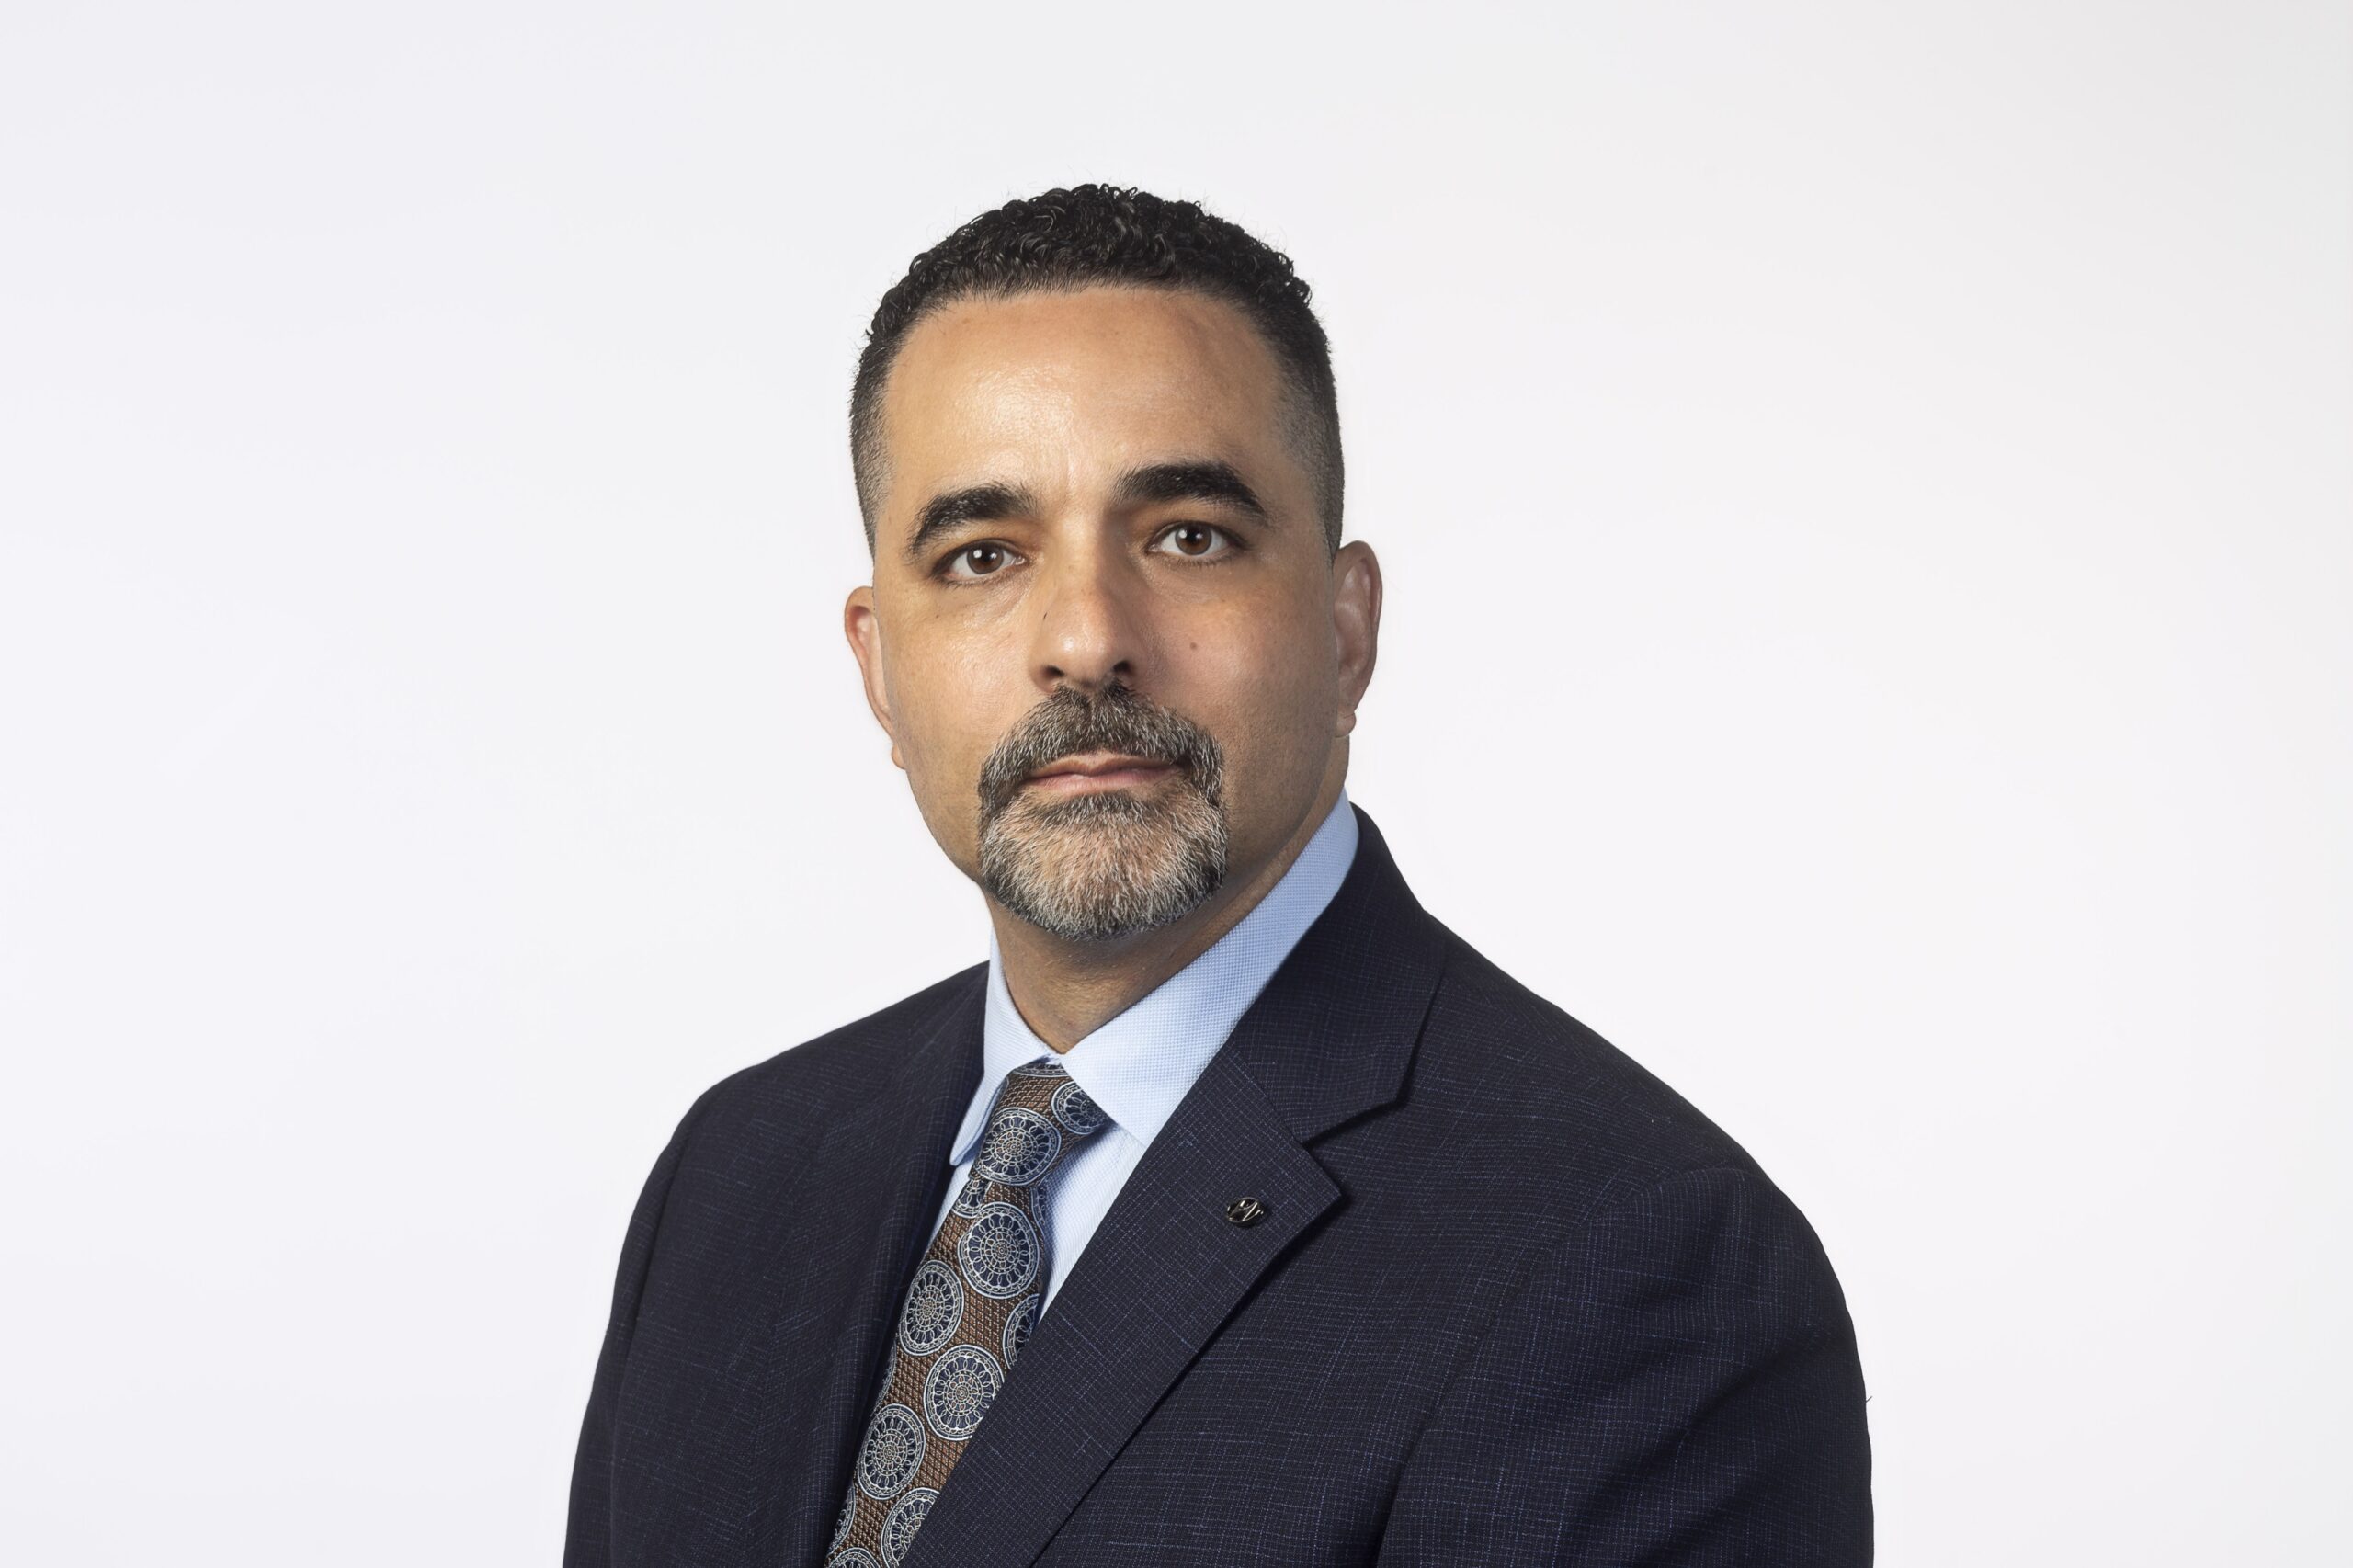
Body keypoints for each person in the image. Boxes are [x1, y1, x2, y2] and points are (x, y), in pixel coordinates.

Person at [563, 184, 1872, 1568]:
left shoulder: (1633, 1261)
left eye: (1188, 535)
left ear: (1345, 630)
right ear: (879, 668)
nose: (1086, 639)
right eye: (983, 555)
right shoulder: (739, 1174)